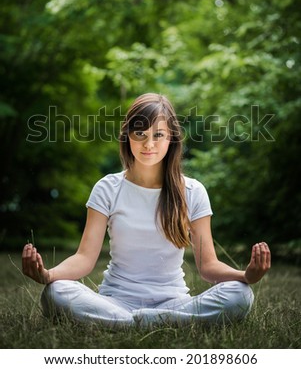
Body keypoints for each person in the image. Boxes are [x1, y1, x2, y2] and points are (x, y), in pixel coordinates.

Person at [22, 93, 271, 327]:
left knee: (240, 294)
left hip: (174, 301)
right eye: (139, 133)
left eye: (158, 135)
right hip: (114, 301)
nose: (148, 143)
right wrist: (49, 274)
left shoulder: (193, 192)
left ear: (171, 137)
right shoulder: (108, 187)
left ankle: (133, 323)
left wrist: (245, 275)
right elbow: (85, 258)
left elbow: (208, 266)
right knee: (56, 292)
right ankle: (155, 321)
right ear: (127, 135)